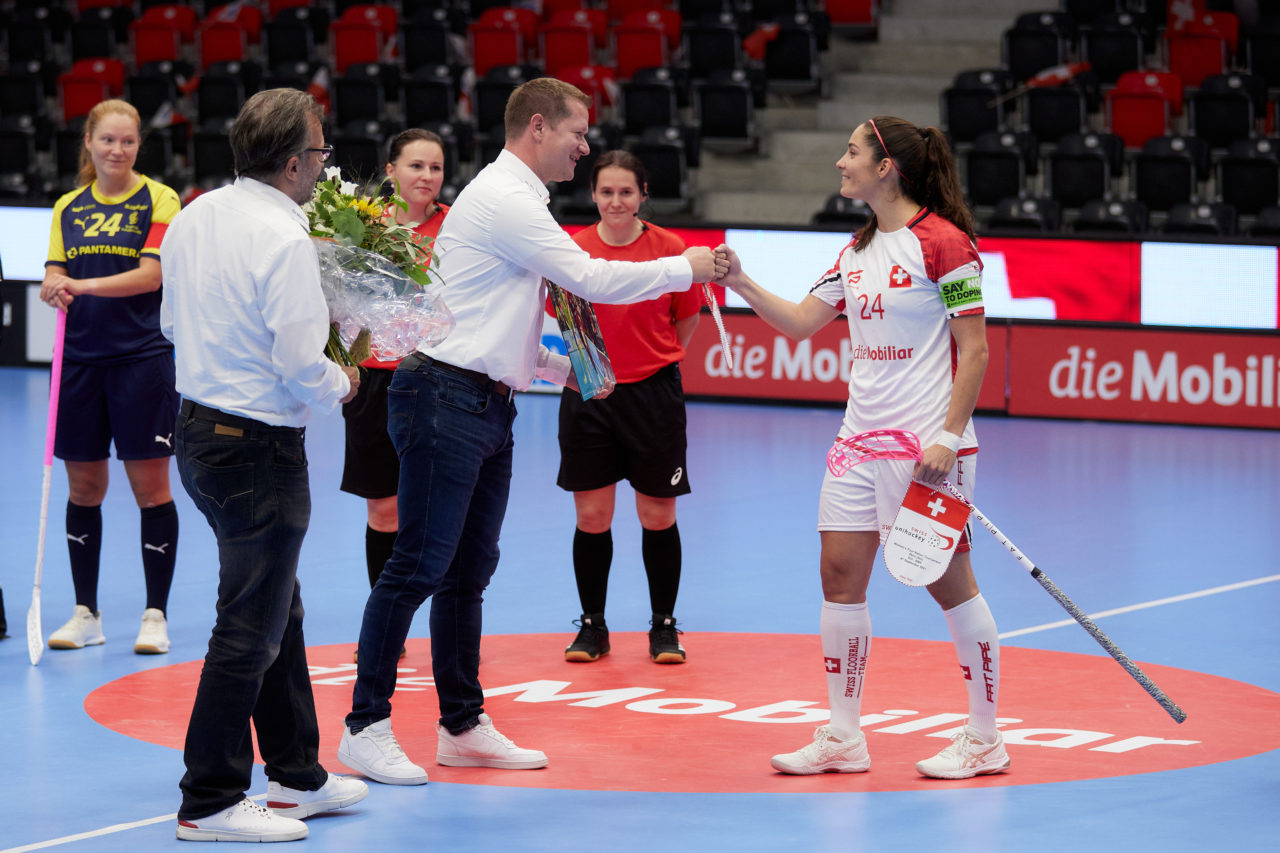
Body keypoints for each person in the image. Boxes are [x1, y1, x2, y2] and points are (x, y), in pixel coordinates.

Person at [338, 77, 723, 785]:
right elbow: (589, 278)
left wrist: (554, 364)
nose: (585, 146)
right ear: (539, 127)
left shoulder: (516, 199)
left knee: (466, 571)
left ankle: (460, 723)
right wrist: (685, 265)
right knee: (418, 563)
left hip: (485, 399)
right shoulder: (509, 198)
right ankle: (364, 722)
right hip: (445, 398)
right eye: (578, 132)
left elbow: (480, 313)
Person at [716, 116, 1007, 780]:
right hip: (857, 445)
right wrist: (742, 281)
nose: (840, 162)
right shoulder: (854, 251)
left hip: (930, 449)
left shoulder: (945, 244)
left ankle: (987, 737)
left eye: (851, 152)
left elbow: (976, 349)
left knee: (948, 584)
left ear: (885, 167)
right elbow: (798, 322)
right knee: (839, 577)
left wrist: (947, 435)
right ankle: (844, 735)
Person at [160, 88, 368, 842]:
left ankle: (294, 772)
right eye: (319, 154)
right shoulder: (286, 241)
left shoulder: (193, 216)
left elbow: (171, 321)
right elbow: (298, 362)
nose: (323, 166)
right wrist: (343, 381)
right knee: (249, 624)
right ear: (291, 162)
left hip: (196, 432)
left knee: (277, 603)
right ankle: (210, 797)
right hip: (257, 446)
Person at [39, 99, 181, 655]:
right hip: (78, 363)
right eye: (108, 141)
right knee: (85, 489)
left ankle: (155, 615)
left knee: (151, 490)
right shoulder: (67, 206)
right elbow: (55, 266)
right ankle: (86, 612)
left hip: (141, 361)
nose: (117, 150)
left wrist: (81, 286)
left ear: (138, 145)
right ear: (90, 144)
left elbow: (151, 276)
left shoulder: (159, 198)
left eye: (127, 141)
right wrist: (55, 281)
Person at [556, 150, 701, 665]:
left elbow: (685, 320)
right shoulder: (571, 250)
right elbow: (567, 321)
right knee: (592, 515)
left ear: (643, 195)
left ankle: (664, 627)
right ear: (592, 195)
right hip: (590, 395)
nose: (616, 201)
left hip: (653, 397)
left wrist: (649, 359)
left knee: (656, 514)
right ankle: (593, 626)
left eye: (626, 192)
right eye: (606, 191)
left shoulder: (671, 250)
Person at [341, 129, 450, 653]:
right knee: (383, 510)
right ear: (391, 171)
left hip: (435, 375)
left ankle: (444, 621)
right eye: (416, 166)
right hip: (373, 378)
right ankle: (389, 627)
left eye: (435, 168)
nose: (426, 177)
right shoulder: (361, 226)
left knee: (439, 507)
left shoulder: (456, 229)